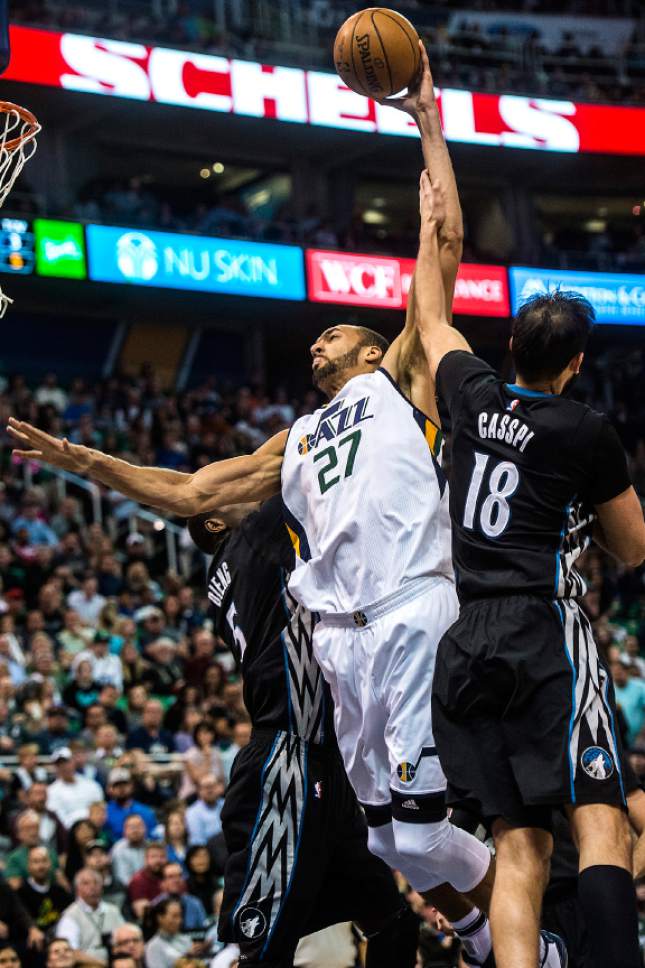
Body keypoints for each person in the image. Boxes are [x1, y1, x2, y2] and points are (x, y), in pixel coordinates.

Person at [7, 45, 500, 965]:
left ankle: (526, 932)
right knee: (398, 844)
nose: (319, 338)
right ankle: (488, 930)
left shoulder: (399, 379)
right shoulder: (292, 445)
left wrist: (429, 123)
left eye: (334, 330)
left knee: (424, 829)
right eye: (315, 334)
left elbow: (439, 246)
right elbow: (188, 493)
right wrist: (76, 455)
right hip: (340, 643)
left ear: (367, 349)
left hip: (407, 606)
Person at [413, 171, 645, 968]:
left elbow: (432, 317)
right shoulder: (583, 429)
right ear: (576, 365)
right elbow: (634, 547)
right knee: (601, 819)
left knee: (518, 847)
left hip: (466, 636)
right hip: (540, 630)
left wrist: (431, 205)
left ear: (508, 347)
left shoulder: (468, 394)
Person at [185, 499, 419, 966]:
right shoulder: (250, 538)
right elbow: (300, 468)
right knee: (264, 948)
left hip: (326, 766)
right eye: (230, 490)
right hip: (286, 761)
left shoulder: (236, 570)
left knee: (393, 919)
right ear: (215, 522)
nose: (247, 486)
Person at [56, 868, 124, 965]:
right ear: (77, 889)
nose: (92, 887)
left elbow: (127, 938)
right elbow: (70, 952)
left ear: (102, 886)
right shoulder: (70, 915)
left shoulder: (113, 911)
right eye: (86, 883)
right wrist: (103, 964)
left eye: (96, 883)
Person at [16, 845, 72, 934]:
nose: (41, 866)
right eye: (36, 862)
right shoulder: (20, 894)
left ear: (50, 864)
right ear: (28, 866)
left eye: (44, 861)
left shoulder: (60, 891)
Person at [46, 747, 103, 829]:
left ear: (73, 761)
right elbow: (59, 819)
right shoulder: (51, 791)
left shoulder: (91, 785)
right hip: (69, 833)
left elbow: (99, 809)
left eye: (66, 762)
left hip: (94, 827)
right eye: (59, 764)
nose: (64, 767)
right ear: (56, 767)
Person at [4, 809, 61, 889]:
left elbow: (61, 883)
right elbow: (14, 889)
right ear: (19, 834)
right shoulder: (14, 859)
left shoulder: (51, 853)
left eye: (35, 828)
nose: (33, 833)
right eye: (28, 829)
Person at [143, 898, 203, 968]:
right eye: (174, 916)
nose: (179, 921)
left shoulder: (186, 939)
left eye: (180, 916)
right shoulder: (153, 947)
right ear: (160, 918)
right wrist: (185, 957)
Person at [152, 862, 207, 932]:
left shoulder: (195, 903)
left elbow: (204, 930)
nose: (176, 880)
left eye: (179, 875)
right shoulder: (156, 906)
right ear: (162, 882)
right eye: (171, 877)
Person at [104, 768, 156, 841]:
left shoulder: (145, 812)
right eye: (117, 785)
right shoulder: (105, 812)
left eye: (124, 784)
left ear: (131, 786)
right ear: (110, 789)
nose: (121, 788)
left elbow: (153, 837)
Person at [127, 842, 167, 921]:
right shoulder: (138, 880)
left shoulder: (169, 875)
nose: (158, 860)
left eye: (162, 856)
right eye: (153, 857)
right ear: (145, 859)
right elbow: (143, 914)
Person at [611, 657, 645, 747]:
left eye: (620, 670)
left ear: (627, 672)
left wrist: (642, 735)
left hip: (640, 739)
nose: (617, 673)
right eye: (614, 671)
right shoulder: (609, 689)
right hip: (618, 741)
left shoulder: (640, 686)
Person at [185, 775, 224, 846]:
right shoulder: (193, 812)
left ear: (218, 788)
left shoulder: (225, 804)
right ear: (199, 791)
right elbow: (198, 842)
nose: (210, 790)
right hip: (207, 851)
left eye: (212, 786)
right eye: (206, 787)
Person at [110, 814, 147, 890]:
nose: (135, 830)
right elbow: (123, 879)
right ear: (124, 830)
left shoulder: (150, 847)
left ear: (145, 829)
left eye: (139, 826)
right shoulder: (118, 849)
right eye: (131, 827)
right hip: (126, 891)